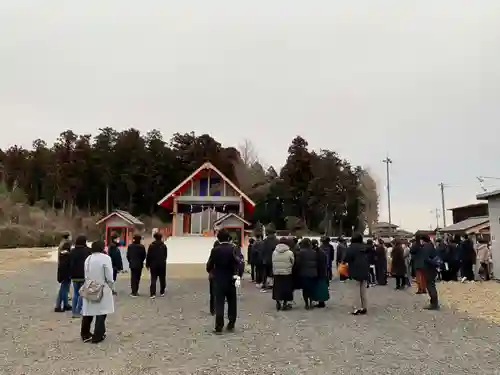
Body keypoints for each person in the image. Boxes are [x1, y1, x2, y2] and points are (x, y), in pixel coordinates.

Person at [206, 229, 241, 334]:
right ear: (229, 238)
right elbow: (237, 262)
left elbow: (209, 265)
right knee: (232, 301)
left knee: (219, 302)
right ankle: (231, 322)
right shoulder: (233, 249)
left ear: (218, 238)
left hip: (219, 278)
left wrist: (211, 271)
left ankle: (219, 326)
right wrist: (237, 274)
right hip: (231, 278)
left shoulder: (215, 250)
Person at [80, 240, 116, 344]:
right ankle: (98, 335)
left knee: (88, 312)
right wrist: (112, 287)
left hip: (89, 286)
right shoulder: (105, 258)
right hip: (102, 287)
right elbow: (109, 276)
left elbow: (86, 274)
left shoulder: (88, 258)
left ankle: (85, 334)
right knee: (101, 312)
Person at [344, 233, 370, 315]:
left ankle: (356, 308)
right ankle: (364, 307)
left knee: (355, 291)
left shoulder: (351, 248)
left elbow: (346, 258)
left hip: (355, 271)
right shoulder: (365, 247)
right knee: (363, 291)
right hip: (365, 270)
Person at [69, 234, 91, 318]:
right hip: (84, 275)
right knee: (82, 294)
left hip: (74, 275)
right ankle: (78, 311)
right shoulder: (87, 251)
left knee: (75, 293)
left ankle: (74, 310)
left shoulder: (73, 251)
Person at [272, 238, 295, 311]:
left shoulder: (274, 252)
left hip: (276, 273)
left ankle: (278, 302)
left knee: (277, 288)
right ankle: (285, 303)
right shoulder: (290, 252)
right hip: (286, 273)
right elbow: (293, 262)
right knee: (286, 289)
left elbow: (272, 261)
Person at [296, 238, 318, 310]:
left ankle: (306, 304)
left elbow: (298, 263)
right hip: (313, 273)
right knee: (311, 289)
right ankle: (311, 303)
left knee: (305, 289)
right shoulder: (314, 252)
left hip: (304, 273)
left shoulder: (301, 252)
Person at [420, 235, 440, 310]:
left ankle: (434, 304)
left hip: (428, 269)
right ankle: (434, 303)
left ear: (423, 240)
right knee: (432, 285)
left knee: (430, 286)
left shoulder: (426, 248)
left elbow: (426, 258)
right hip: (432, 269)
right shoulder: (431, 246)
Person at [146, 232, 168, 298]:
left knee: (153, 278)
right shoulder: (164, 246)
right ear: (161, 237)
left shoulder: (151, 246)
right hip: (162, 264)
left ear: (154, 238)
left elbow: (148, 256)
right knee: (162, 278)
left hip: (153, 265)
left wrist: (147, 264)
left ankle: (153, 293)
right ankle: (162, 291)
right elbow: (165, 255)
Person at [55, 232, 73, 312]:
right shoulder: (66, 245)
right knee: (64, 287)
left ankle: (65, 304)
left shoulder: (61, 244)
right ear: (68, 237)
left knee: (65, 287)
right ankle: (58, 305)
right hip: (65, 269)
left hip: (62, 268)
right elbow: (67, 257)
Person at [313, 241, 330, 307]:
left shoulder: (316, 253)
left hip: (319, 272)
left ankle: (321, 302)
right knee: (322, 288)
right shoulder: (322, 253)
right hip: (323, 272)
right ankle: (321, 301)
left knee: (320, 288)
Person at [208, 240, 220, 315]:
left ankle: (213, 310)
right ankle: (218, 308)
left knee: (212, 293)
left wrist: (210, 271)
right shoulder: (223, 253)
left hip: (213, 275)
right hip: (221, 275)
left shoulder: (213, 253)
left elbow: (209, 265)